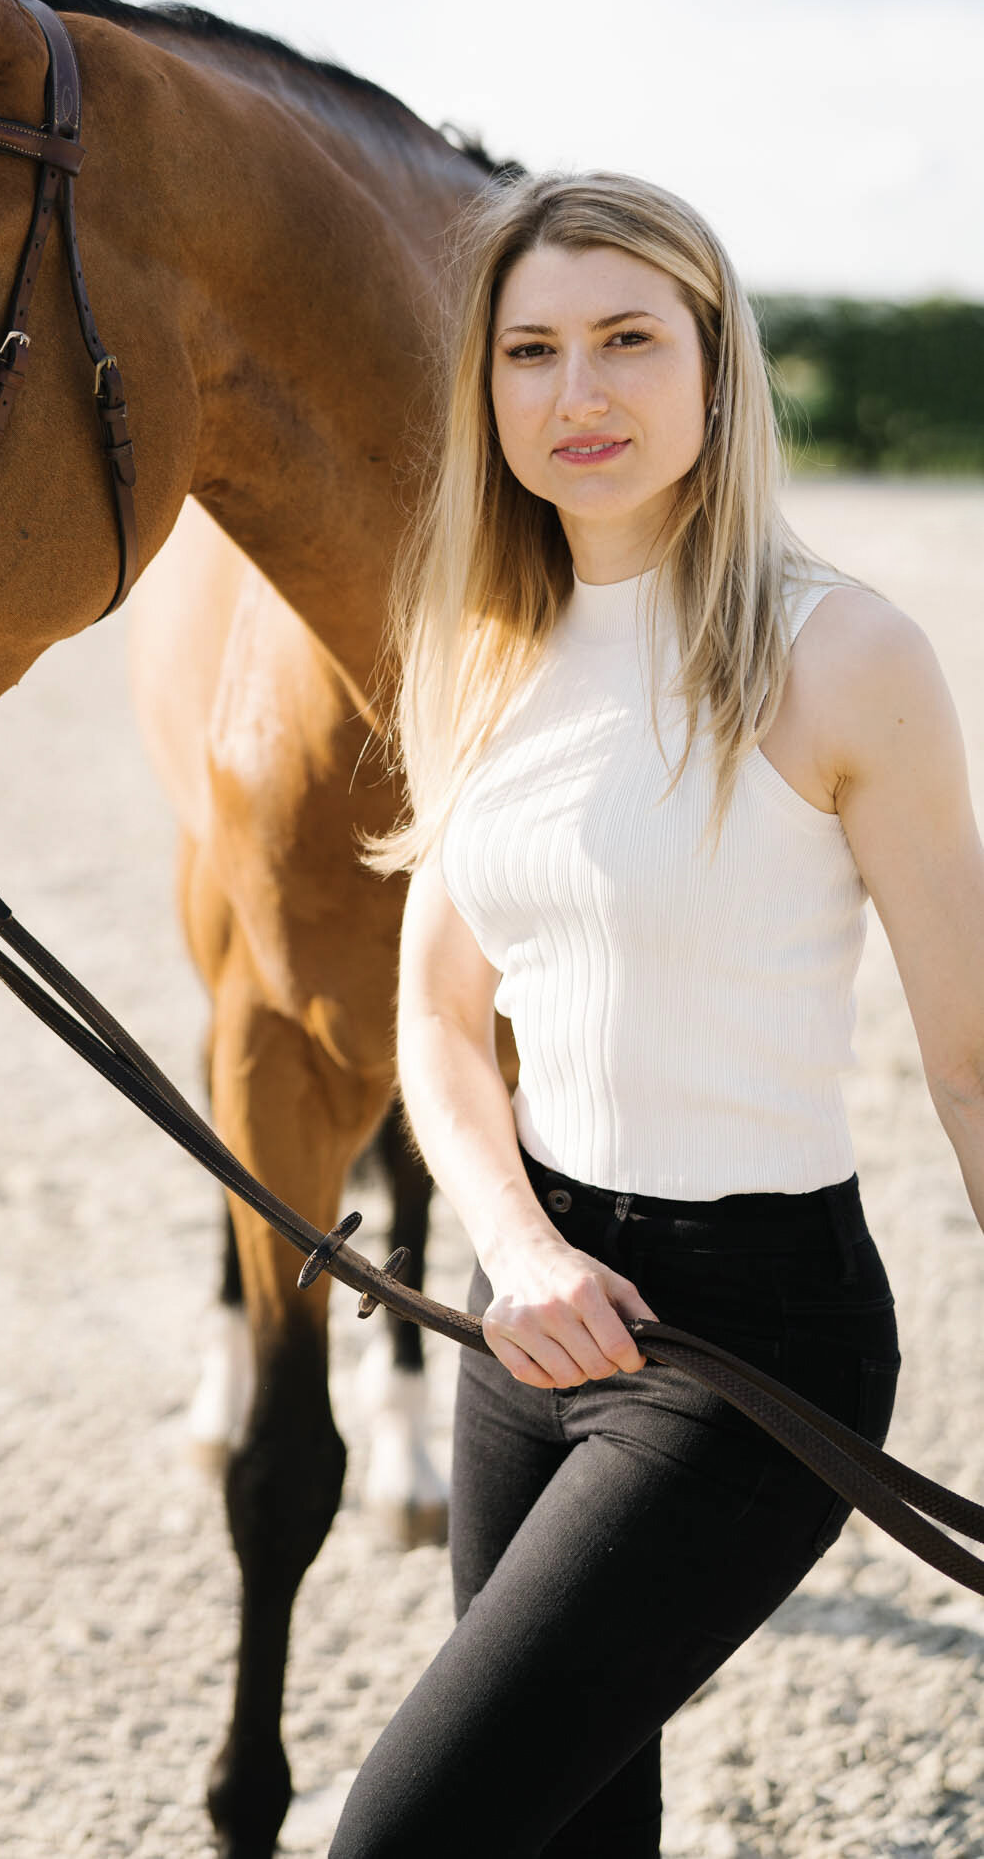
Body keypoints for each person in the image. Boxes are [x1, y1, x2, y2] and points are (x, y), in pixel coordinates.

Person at [328, 171, 984, 1859]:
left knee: (402, 1838)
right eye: (532, 350)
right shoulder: (480, 644)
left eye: (628, 339)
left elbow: (974, 1060)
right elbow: (438, 1019)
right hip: (526, 1310)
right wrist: (516, 1247)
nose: (579, 392)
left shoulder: (843, 657)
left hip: (754, 1344)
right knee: (566, 1830)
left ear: (716, 363)